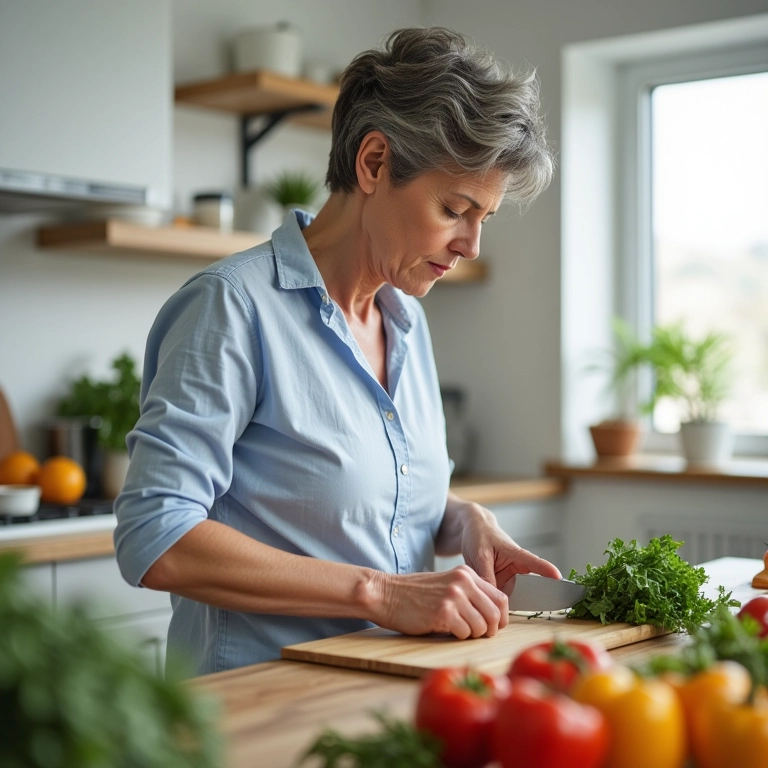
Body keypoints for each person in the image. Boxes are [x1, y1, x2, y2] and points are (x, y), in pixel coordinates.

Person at [114, 26, 558, 676]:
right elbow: (156, 536)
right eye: (454, 208)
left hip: (382, 696)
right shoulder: (232, 307)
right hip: (256, 710)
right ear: (374, 163)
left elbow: (372, 500)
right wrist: (379, 593)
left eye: (482, 219)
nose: (471, 246)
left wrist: (463, 521)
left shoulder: (405, 317)